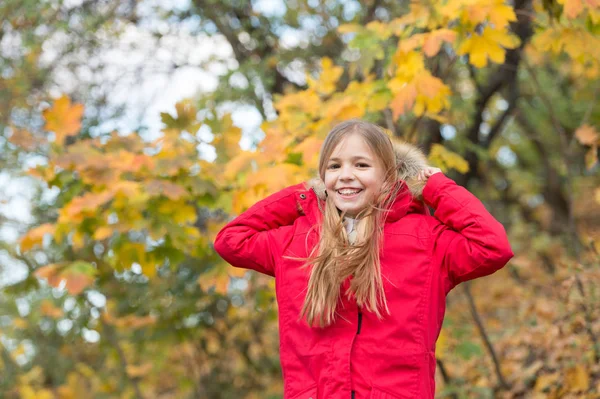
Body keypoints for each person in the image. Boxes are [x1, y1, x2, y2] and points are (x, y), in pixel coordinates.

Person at [213, 119, 513, 399]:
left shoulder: (426, 239)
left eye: (361, 164)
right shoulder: (297, 241)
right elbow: (231, 240)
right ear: (322, 178)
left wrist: (436, 188)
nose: (345, 175)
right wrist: (301, 196)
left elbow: (492, 247)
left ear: (388, 175)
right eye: (334, 166)